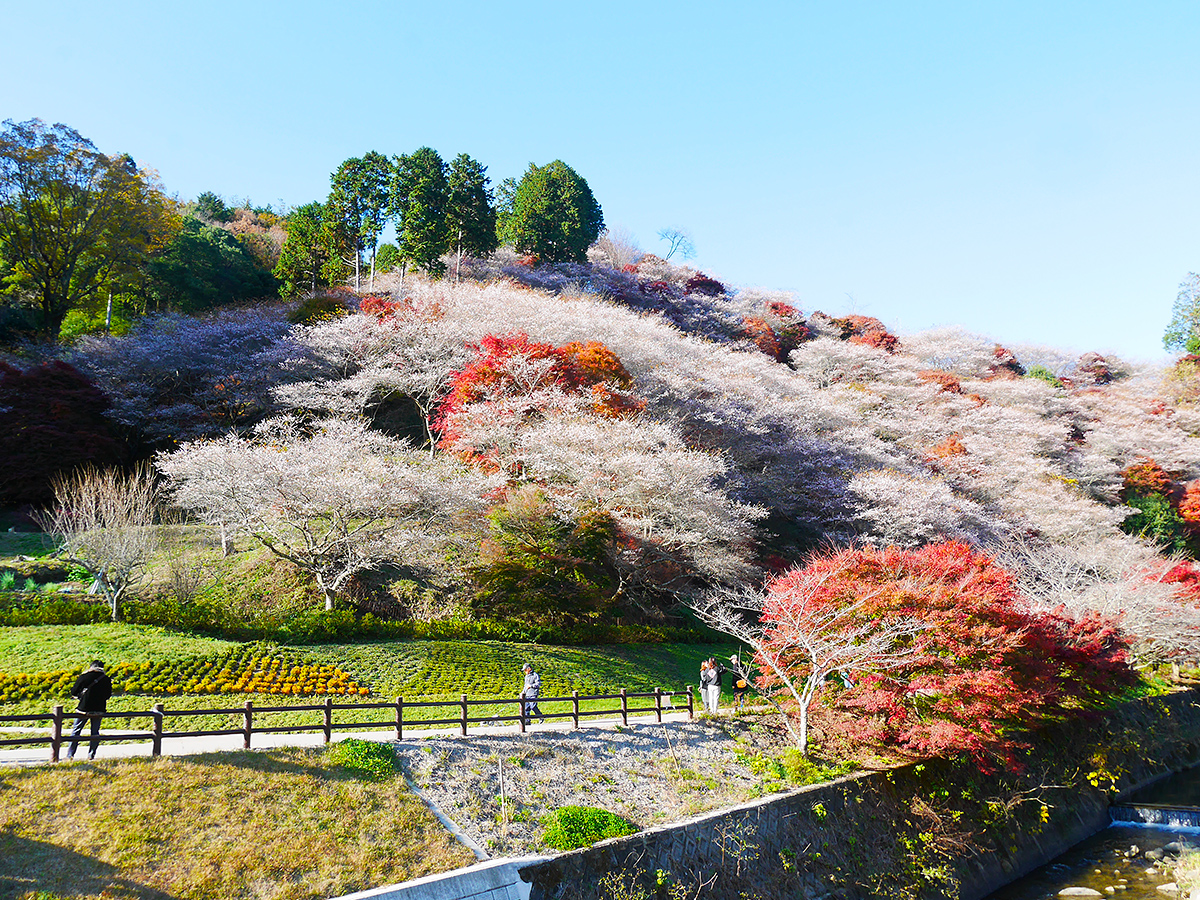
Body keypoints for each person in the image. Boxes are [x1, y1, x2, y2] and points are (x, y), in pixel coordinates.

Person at [66, 660, 112, 760]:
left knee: (76, 731)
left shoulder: (84, 677)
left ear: (91, 666)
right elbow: (108, 695)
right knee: (95, 733)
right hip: (99, 709)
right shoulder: (106, 679)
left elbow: (74, 691)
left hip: (84, 708)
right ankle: (91, 755)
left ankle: (70, 755)